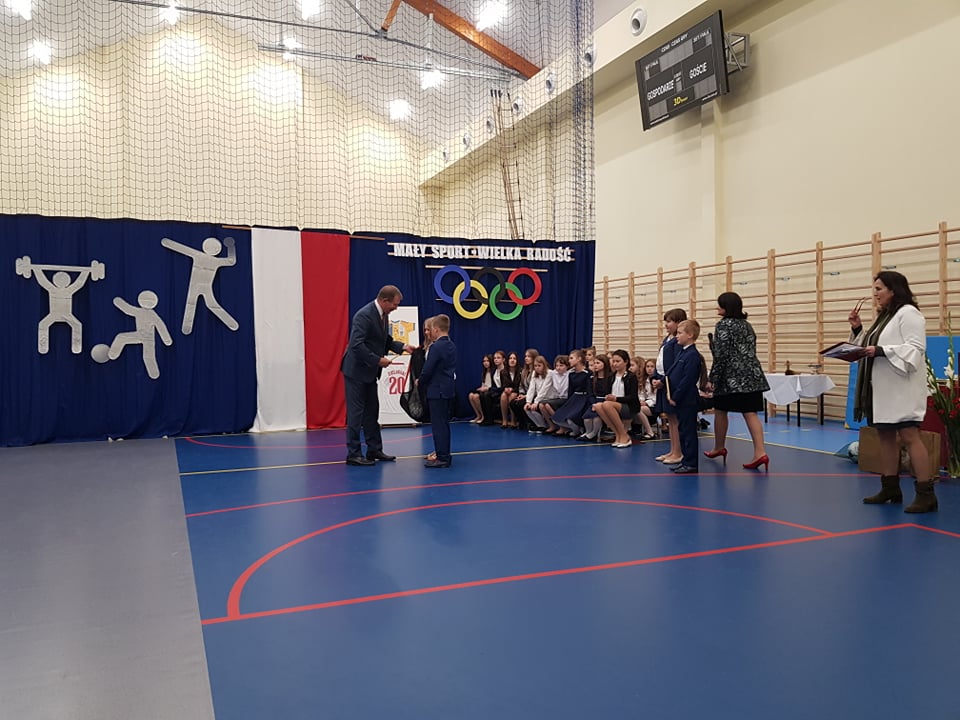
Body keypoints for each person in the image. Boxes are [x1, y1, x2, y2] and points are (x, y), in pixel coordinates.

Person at [847, 271, 936, 512]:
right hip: (883, 389)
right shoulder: (886, 316)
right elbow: (869, 346)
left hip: (901, 389)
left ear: (893, 290)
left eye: (879, 288)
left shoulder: (909, 313)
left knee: (909, 436)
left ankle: (926, 493)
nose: (875, 293)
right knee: (885, 436)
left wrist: (881, 351)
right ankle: (890, 487)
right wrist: (857, 329)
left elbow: (915, 349)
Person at [340, 285, 415, 466]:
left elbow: (383, 340)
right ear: (384, 301)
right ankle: (353, 454)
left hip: (369, 373)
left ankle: (374, 449)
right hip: (356, 372)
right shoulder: (364, 316)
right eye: (395, 304)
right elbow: (356, 345)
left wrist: (402, 347)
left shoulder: (383, 314)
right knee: (356, 414)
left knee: (372, 411)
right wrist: (377, 360)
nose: (396, 308)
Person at [704, 292, 770, 470]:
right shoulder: (747, 325)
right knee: (750, 413)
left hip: (731, 378)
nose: (717, 307)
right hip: (752, 375)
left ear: (726, 307)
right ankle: (760, 452)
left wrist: (712, 378)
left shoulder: (723, 325)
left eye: (720, 304)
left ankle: (719, 447)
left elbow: (722, 356)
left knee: (720, 410)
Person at [418, 313, 457, 468]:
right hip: (447, 389)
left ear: (436, 329)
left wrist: (420, 381)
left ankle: (442, 457)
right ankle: (444, 454)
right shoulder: (451, 345)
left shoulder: (436, 347)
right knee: (444, 424)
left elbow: (428, 370)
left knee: (438, 425)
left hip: (437, 390)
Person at [666, 320, 704, 474]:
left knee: (688, 432)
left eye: (680, 333)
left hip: (686, 399)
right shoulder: (683, 352)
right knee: (682, 430)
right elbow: (673, 372)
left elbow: (687, 380)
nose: (677, 336)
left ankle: (691, 463)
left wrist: (676, 396)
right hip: (681, 399)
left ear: (690, 335)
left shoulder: (692, 355)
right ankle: (685, 460)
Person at [592, 349, 640, 448]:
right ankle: (619, 434)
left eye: (618, 361)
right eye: (613, 361)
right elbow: (608, 392)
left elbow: (633, 397)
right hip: (614, 404)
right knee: (598, 406)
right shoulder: (611, 377)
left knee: (607, 404)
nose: (615, 364)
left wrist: (616, 399)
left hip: (629, 406)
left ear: (625, 362)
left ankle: (623, 435)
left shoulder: (631, 377)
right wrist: (608, 397)